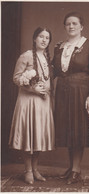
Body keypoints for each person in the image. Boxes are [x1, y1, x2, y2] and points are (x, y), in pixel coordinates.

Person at [52, 11, 89, 185]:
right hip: (63, 92)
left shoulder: (88, 45)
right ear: (65, 27)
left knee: (78, 128)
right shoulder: (59, 47)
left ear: (81, 26)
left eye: (74, 23)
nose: (71, 26)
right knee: (68, 128)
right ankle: (72, 167)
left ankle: (76, 170)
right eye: (68, 24)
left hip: (81, 92)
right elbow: (54, 71)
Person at [8, 27, 55, 184]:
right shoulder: (26, 56)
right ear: (34, 39)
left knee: (38, 135)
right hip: (28, 101)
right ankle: (27, 170)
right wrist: (32, 89)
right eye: (41, 36)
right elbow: (16, 78)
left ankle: (35, 169)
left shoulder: (47, 58)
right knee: (29, 135)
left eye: (47, 38)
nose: (43, 40)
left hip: (43, 102)